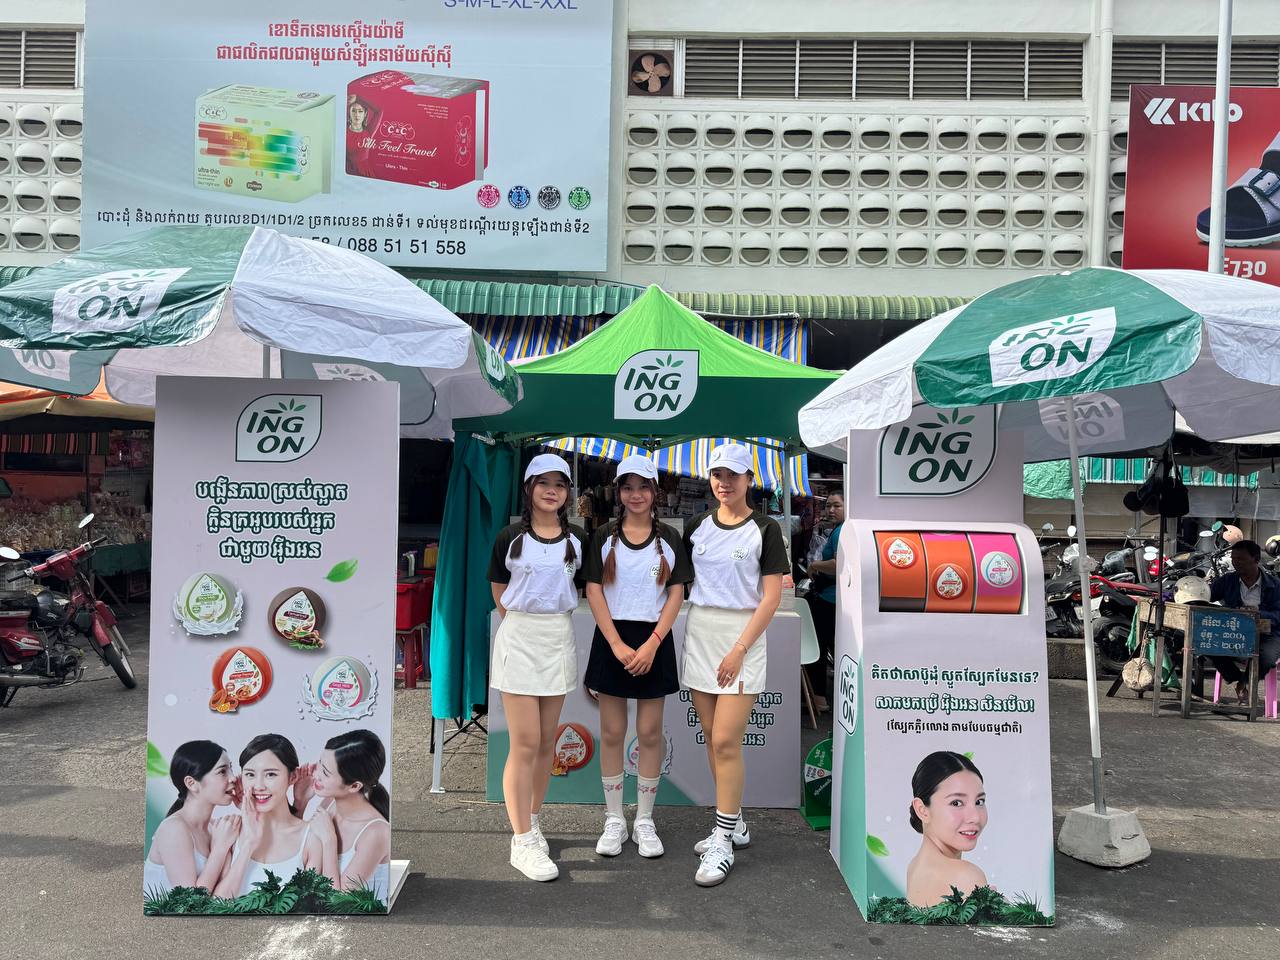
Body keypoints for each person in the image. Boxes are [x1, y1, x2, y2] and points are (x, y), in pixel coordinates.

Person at [682, 442, 788, 887]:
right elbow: (679, 581)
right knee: (711, 737)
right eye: (717, 475)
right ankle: (735, 823)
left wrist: (740, 648)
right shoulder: (696, 526)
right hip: (700, 632)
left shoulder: (766, 529)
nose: (724, 483)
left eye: (733, 475)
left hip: (742, 638)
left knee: (726, 740)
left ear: (749, 479)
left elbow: (771, 597)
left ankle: (723, 840)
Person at [583, 454, 692, 860]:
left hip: (653, 642)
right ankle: (614, 818)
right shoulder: (603, 536)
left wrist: (653, 643)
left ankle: (644, 819)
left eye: (643, 487)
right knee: (612, 733)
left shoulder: (671, 538)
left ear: (655, 492)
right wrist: (615, 644)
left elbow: (676, 593)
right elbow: (594, 590)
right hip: (612, 639)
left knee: (648, 733)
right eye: (627, 487)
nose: (635, 495)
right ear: (619, 493)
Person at [488, 453, 586, 882]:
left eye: (560, 484)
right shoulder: (510, 537)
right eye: (543, 483)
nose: (552, 491)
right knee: (525, 741)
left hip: (558, 637)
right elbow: (499, 590)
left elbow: (582, 586)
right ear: (528, 488)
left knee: (547, 742)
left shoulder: (577, 539)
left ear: (567, 493)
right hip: (520, 637)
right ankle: (522, 841)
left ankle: (532, 819)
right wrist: (521, 625)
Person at [214, 734, 325, 898]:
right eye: (250, 774)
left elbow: (307, 907)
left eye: (271, 774)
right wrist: (249, 844)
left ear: (293, 776)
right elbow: (216, 906)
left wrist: (300, 802)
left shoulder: (311, 838)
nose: (258, 786)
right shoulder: (231, 831)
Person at [295, 730, 391, 902]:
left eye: (325, 772)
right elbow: (300, 854)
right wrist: (300, 803)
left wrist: (329, 841)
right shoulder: (330, 802)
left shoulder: (376, 833)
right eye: (320, 763)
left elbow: (338, 902)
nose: (316, 774)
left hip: (358, 917)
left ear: (354, 786)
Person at [143, 740, 240, 896]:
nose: (233, 778)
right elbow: (191, 901)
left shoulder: (216, 829)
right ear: (192, 783)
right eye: (222, 771)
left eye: (231, 768)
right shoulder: (173, 829)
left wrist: (245, 807)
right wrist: (220, 848)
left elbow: (224, 894)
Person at [905, 751, 989, 908]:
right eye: (956, 803)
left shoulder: (914, 866)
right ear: (922, 810)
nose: (975, 817)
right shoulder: (966, 876)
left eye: (979, 801)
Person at [1208, 539, 1280, 703]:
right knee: (1207, 644)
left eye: (1240, 559)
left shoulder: (1275, 585)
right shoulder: (1228, 581)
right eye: (1234, 559)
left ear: (1256, 559)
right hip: (1234, 631)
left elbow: (1278, 615)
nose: (1236, 563)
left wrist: (1258, 614)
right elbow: (1207, 595)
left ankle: (1245, 683)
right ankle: (1236, 679)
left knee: (1267, 656)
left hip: (1266, 631)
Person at [802, 491, 845, 709]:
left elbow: (839, 564)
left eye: (837, 506)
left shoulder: (841, 532)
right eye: (828, 506)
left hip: (829, 600)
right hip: (836, 599)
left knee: (817, 646)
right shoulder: (840, 530)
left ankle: (818, 698)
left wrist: (814, 565)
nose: (831, 510)